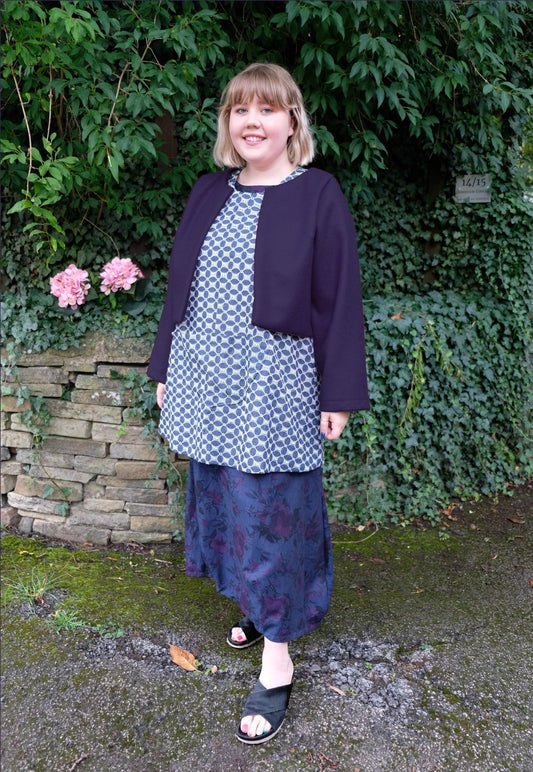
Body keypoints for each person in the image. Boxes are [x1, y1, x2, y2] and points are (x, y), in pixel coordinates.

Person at [147, 62, 369, 744]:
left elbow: (339, 298)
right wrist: (164, 365)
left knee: (272, 507)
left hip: (275, 380)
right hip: (206, 373)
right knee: (220, 495)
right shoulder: (208, 191)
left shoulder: (318, 193)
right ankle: (255, 603)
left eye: (268, 109)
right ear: (228, 124)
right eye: (240, 109)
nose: (252, 121)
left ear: (292, 122)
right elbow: (179, 287)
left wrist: (338, 392)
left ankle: (278, 658)